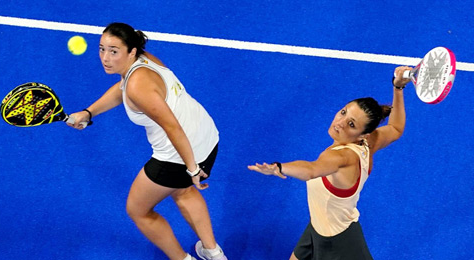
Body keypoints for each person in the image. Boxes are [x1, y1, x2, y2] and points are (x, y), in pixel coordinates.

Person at [67, 23, 228, 260]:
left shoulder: (137, 87)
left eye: (114, 51)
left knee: (138, 210)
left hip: (179, 155)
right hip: (207, 136)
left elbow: (172, 127)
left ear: (131, 51)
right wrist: (89, 112)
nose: (105, 58)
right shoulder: (144, 60)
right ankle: (213, 253)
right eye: (102, 49)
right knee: (182, 191)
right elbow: (123, 87)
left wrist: (192, 168)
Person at [248, 66, 412, 260]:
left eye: (351, 124)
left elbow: (311, 170)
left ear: (363, 134)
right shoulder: (368, 142)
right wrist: (398, 88)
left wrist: (279, 167)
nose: (339, 123)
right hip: (319, 226)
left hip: (338, 244)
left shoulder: (343, 158)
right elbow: (395, 128)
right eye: (343, 113)